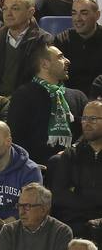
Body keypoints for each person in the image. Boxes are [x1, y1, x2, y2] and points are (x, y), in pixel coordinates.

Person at [47, 99, 102, 235]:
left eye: (93, 119)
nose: (87, 123)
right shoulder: (71, 155)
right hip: (76, 223)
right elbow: (60, 196)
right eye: (84, 118)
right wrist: (93, 207)